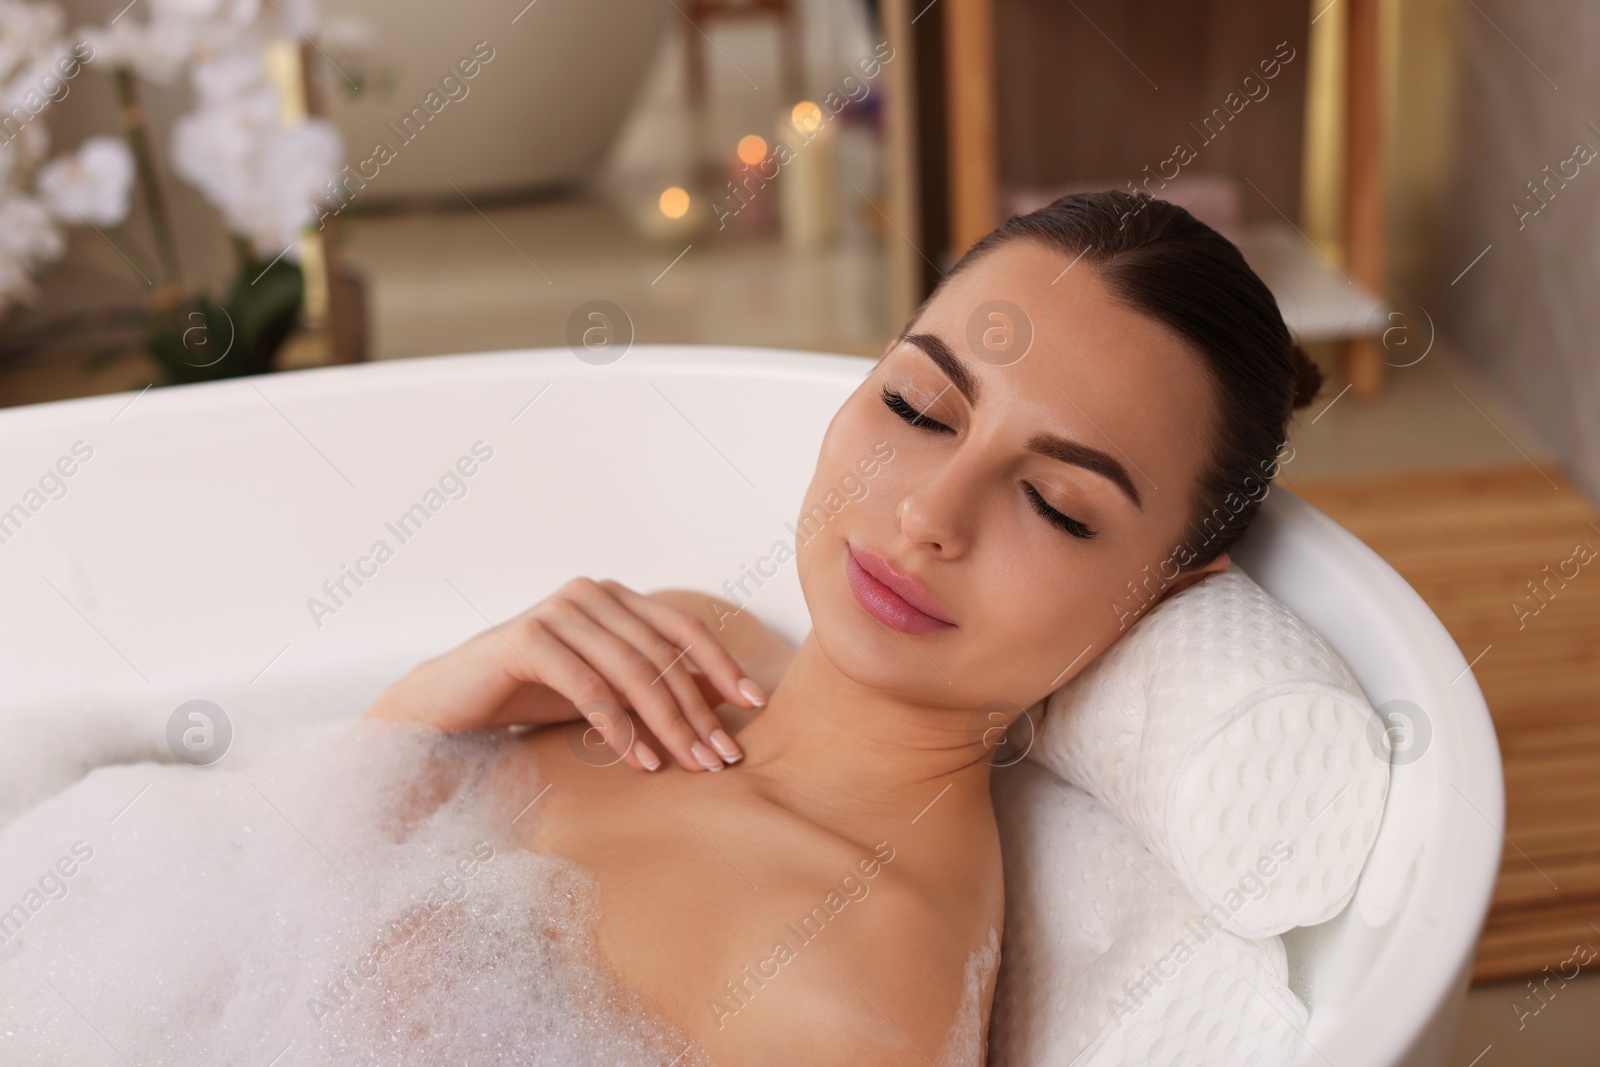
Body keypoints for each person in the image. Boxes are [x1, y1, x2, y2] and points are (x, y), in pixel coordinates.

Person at [364, 189, 1324, 1066]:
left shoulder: (852, 987)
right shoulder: (693, 639)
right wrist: (424, 709)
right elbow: (290, 848)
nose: (929, 516)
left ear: (1162, 590)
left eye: (1056, 505)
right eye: (916, 405)